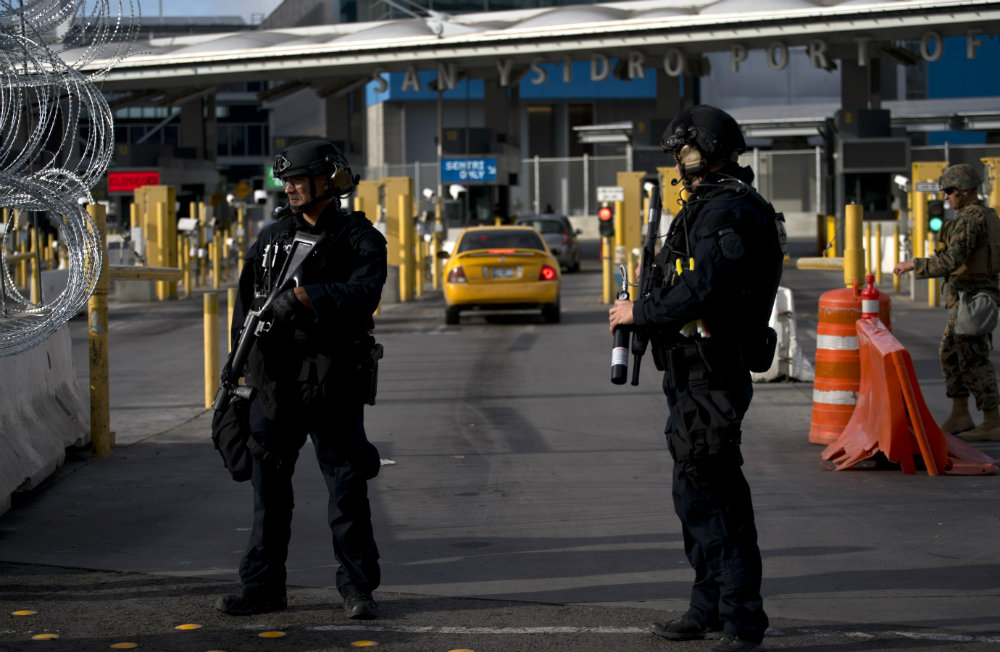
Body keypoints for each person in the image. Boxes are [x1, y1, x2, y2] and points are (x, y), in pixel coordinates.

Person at [608, 105, 784, 652]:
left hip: (713, 370)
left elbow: (706, 287)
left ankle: (741, 622)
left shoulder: (728, 210)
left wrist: (640, 315)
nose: (678, 165)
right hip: (690, 371)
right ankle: (707, 606)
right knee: (694, 495)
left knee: (716, 495)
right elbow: (679, 279)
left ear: (704, 152)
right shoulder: (706, 208)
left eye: (683, 153)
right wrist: (646, 306)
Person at [216, 138, 387, 619]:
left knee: (346, 488)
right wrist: (236, 368)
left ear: (327, 182)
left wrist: (310, 297)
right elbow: (246, 306)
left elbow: (365, 292)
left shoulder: (360, 238)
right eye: (285, 181)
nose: (289, 188)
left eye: (298, 179)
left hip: (334, 379)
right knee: (268, 493)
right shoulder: (270, 240)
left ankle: (357, 588)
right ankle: (263, 587)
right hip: (275, 383)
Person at [893, 163, 1000, 441]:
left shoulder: (971, 219)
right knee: (951, 354)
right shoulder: (986, 215)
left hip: (973, 299)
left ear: (966, 191)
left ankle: (992, 420)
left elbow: (953, 259)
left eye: (950, 191)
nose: (946, 197)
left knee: (974, 357)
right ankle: (960, 413)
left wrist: (914, 265)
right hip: (967, 298)